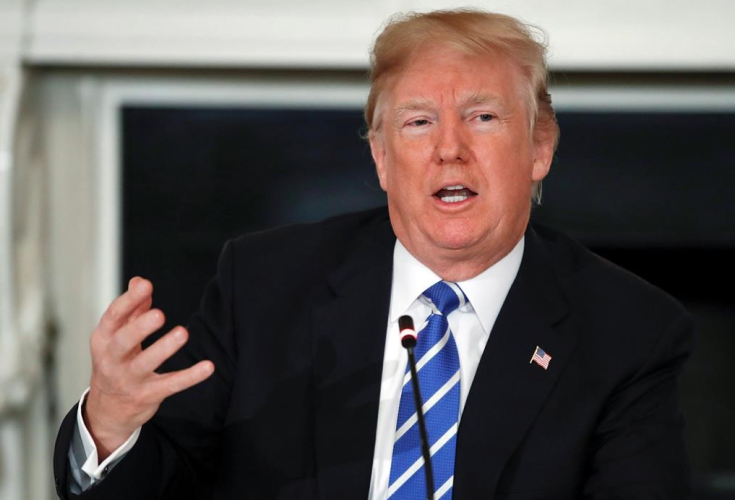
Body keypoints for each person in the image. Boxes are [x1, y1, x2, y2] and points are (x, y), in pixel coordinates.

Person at [53, 8, 694, 500]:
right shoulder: (265, 285)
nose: (449, 149)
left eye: (483, 118)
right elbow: (161, 484)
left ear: (539, 149)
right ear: (381, 158)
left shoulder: (629, 332)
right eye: (418, 122)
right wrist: (109, 425)